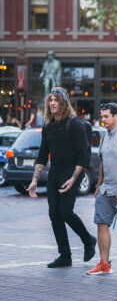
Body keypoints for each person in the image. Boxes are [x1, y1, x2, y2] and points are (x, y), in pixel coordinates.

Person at [27, 87, 97, 268]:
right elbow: (43, 154)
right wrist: (35, 180)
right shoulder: (48, 126)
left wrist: (74, 179)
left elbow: (83, 155)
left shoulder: (74, 124)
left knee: (65, 212)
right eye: (50, 100)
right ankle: (65, 256)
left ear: (64, 103)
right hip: (54, 174)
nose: (52, 103)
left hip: (71, 173)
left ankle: (88, 240)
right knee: (54, 214)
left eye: (56, 100)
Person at [87, 103, 117, 275]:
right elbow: (103, 161)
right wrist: (98, 184)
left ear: (116, 116)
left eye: (106, 116)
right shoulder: (104, 136)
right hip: (106, 190)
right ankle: (104, 263)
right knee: (101, 223)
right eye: (102, 116)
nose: (103, 120)